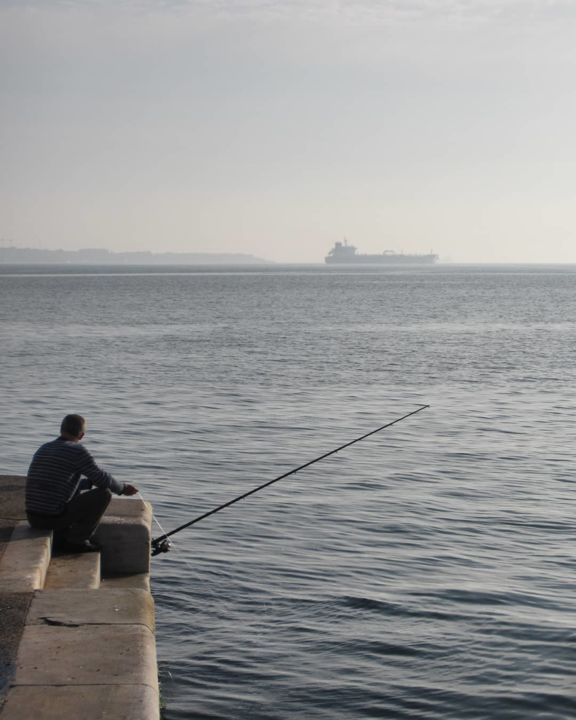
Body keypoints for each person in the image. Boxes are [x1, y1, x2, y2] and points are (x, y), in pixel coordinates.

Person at [26, 414, 138, 553]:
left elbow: (60, 483)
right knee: (103, 494)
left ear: (61, 430)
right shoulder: (77, 451)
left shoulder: (44, 448)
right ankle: (77, 540)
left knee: (80, 492)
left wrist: (88, 483)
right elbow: (103, 479)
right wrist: (123, 488)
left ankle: (65, 533)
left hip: (33, 518)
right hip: (52, 519)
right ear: (81, 435)